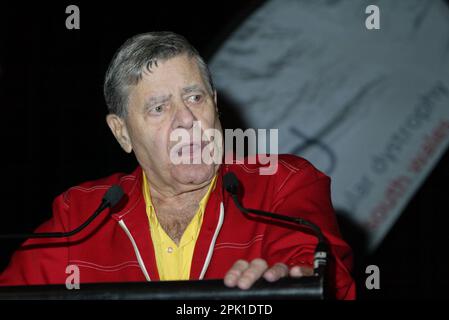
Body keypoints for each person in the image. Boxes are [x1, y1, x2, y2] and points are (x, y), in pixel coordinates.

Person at [0, 32, 355, 299]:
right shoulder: (78, 215)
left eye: (195, 97)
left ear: (214, 104)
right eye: (159, 107)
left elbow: (314, 268)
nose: (187, 118)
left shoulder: (282, 182)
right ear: (121, 132)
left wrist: (292, 282)